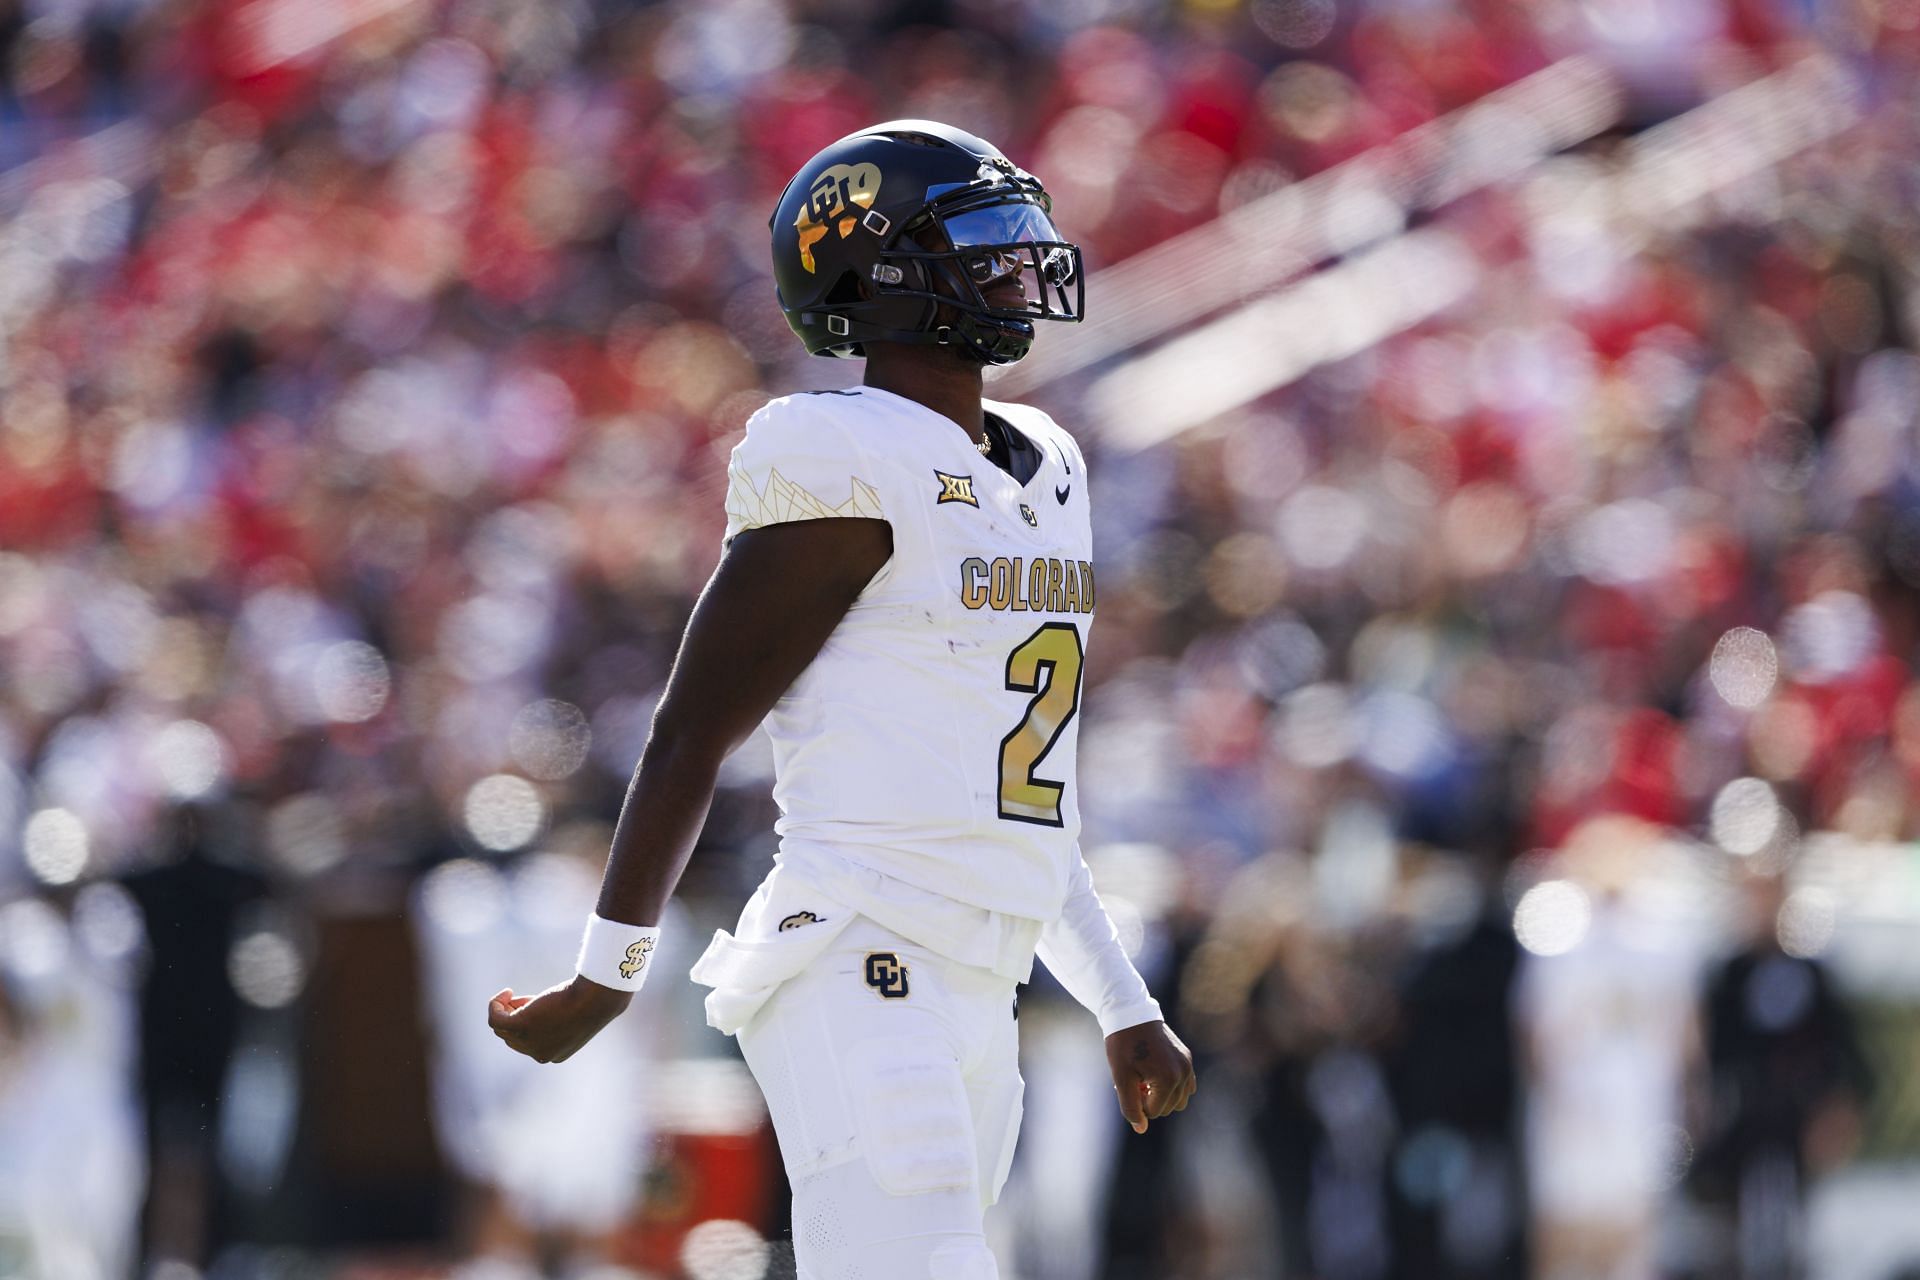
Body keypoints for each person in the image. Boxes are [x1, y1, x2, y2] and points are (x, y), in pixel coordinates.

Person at [486, 119, 1196, 1276]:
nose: (1021, 259)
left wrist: (1118, 998)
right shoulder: (837, 451)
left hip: (980, 980)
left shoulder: (1046, 461)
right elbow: (689, 729)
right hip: (859, 947)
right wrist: (608, 971)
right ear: (885, 275)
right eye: (983, 238)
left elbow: (1018, 801)